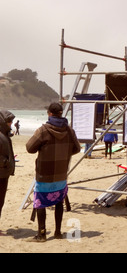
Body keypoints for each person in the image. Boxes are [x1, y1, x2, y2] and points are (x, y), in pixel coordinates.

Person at [26, 102, 81, 242]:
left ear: (49, 113)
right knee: (58, 202)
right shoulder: (69, 130)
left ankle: (42, 234)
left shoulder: (43, 130)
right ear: (61, 114)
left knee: (40, 202)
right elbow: (77, 148)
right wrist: (64, 155)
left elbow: (30, 148)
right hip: (61, 173)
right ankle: (57, 232)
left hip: (44, 173)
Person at [0, 110, 16, 234]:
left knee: (1, 201)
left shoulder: (5, 134)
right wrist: (5, 162)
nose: (11, 123)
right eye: (9, 121)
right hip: (1, 172)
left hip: (4, 173)